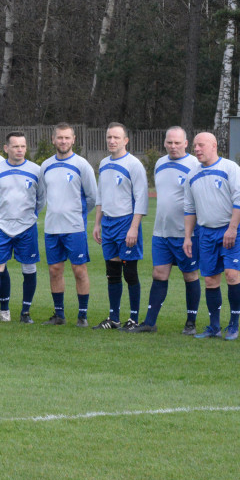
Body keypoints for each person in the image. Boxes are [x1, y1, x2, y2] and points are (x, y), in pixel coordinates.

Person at [126, 127, 202, 333]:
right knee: (159, 274)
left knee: (190, 275)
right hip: (161, 232)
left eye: (177, 143)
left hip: (186, 234)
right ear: (165, 143)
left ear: (186, 143)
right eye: (169, 142)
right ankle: (150, 323)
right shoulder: (160, 164)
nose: (173, 146)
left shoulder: (195, 165)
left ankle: (191, 322)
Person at [182, 132, 240, 340]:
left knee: (231, 274)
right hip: (206, 232)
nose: (197, 149)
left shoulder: (230, 168)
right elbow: (189, 208)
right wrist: (187, 237)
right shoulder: (192, 175)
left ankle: (234, 324)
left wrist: (232, 228)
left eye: (201, 145)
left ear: (214, 145)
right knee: (210, 279)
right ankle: (214, 326)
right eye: (195, 145)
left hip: (230, 229)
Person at [0, 132, 46, 324]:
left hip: (27, 227)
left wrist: (30, 216)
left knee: (29, 268)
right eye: (15, 146)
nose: (20, 150)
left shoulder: (36, 170)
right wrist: (0, 217)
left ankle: (25, 313)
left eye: (23, 146)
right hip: (1, 227)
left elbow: (41, 199)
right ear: (6, 148)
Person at [39, 123, 97, 327]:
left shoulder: (82, 165)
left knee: (79, 270)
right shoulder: (45, 166)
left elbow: (92, 197)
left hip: (74, 229)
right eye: (59, 138)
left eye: (67, 138)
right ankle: (59, 315)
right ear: (53, 139)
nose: (63, 141)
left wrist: (76, 215)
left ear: (73, 140)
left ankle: (82, 315)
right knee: (55, 270)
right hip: (52, 228)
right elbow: (42, 195)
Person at [92, 122, 148, 330]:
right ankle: (114, 318)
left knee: (130, 272)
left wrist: (133, 228)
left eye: (116, 137)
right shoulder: (104, 163)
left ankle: (133, 318)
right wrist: (97, 223)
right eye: (109, 137)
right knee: (112, 271)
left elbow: (141, 199)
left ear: (126, 140)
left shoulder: (134, 165)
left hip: (126, 223)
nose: (112, 141)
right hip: (108, 223)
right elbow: (101, 196)